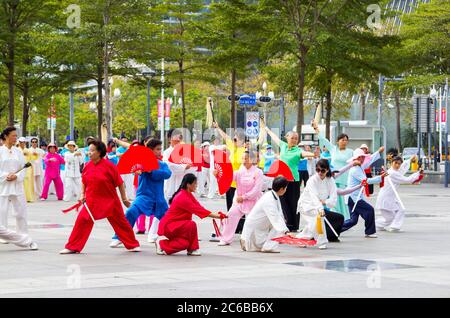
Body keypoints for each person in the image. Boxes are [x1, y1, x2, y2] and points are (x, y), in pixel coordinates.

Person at [60, 139, 140, 254]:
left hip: (110, 201)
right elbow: (84, 181)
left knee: (121, 223)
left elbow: (120, 183)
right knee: (82, 220)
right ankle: (73, 246)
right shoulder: (87, 165)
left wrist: (124, 199)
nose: (89, 153)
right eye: (89, 150)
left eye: (92, 151)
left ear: (99, 152)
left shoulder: (110, 166)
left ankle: (132, 244)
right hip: (92, 201)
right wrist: (82, 194)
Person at [109, 139, 172, 247]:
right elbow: (135, 168)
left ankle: (179, 237)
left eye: (160, 149)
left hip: (159, 199)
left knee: (170, 220)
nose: (159, 152)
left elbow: (167, 174)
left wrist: (151, 171)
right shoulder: (141, 162)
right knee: (130, 212)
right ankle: (119, 237)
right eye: (157, 149)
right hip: (143, 196)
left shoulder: (162, 164)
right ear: (150, 151)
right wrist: (137, 171)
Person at [262, 120, 316, 232]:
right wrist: (266, 129)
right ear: (287, 138)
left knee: (294, 203)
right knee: (283, 202)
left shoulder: (297, 151)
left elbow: (304, 154)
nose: (294, 140)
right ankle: (288, 224)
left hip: (293, 180)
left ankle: (295, 226)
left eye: (296, 138)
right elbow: (275, 138)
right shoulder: (284, 146)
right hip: (281, 179)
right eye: (292, 138)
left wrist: (312, 154)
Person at [155, 173, 224, 256]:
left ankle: (162, 244)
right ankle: (192, 249)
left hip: (176, 225)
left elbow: (199, 207)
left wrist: (217, 214)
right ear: (188, 185)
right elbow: (198, 210)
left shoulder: (187, 194)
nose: (196, 185)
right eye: (195, 183)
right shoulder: (182, 197)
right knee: (191, 224)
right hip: (170, 226)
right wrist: (218, 216)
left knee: (184, 243)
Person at [297, 159, 350, 249]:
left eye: (322, 170)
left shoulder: (331, 180)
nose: (320, 173)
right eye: (318, 170)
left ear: (327, 170)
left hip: (318, 205)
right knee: (318, 218)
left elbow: (333, 198)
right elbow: (314, 196)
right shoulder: (312, 180)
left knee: (314, 222)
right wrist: (320, 208)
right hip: (306, 204)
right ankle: (321, 241)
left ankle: (303, 237)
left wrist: (325, 202)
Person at [0, 127, 38, 250]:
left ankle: (23, 234)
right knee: (2, 212)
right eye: (13, 136)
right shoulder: (0, 151)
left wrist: (16, 176)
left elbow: (24, 167)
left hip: (17, 184)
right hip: (3, 185)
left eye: (16, 136)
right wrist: (6, 176)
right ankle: (3, 235)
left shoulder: (18, 151)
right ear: (5, 136)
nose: (15, 138)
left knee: (20, 211)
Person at [216, 151, 264, 246]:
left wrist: (244, 197)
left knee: (253, 222)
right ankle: (225, 239)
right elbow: (228, 178)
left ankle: (255, 241)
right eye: (242, 158)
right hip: (239, 202)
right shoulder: (239, 171)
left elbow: (257, 190)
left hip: (253, 202)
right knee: (230, 216)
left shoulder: (258, 172)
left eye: (246, 158)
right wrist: (217, 174)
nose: (244, 160)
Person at [341, 148, 387, 238]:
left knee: (353, 220)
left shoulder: (360, 167)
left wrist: (378, 152)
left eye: (363, 157)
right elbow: (365, 181)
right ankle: (370, 232)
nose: (362, 159)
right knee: (369, 210)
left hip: (352, 197)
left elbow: (370, 161)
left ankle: (334, 229)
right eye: (360, 157)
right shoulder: (355, 169)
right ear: (356, 159)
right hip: (354, 197)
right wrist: (380, 177)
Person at [313, 122, 354, 220]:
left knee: (341, 199)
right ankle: (333, 217)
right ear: (337, 141)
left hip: (344, 178)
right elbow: (323, 139)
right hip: (333, 177)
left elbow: (357, 162)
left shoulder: (351, 152)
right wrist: (316, 128)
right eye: (342, 140)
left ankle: (343, 218)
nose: (344, 142)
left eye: (346, 140)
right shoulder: (333, 149)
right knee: (332, 197)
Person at [240, 176, 290, 253]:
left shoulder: (272, 195)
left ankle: (266, 245)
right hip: (253, 231)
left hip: (258, 229)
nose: (286, 190)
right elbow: (276, 218)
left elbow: (279, 215)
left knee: (280, 224)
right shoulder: (269, 199)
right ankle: (268, 247)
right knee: (278, 226)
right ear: (281, 189)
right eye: (286, 188)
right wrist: (286, 232)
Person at [376, 155, 421, 232]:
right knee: (391, 217)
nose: (397, 165)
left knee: (398, 211)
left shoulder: (394, 171)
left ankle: (382, 225)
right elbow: (406, 180)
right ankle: (382, 225)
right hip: (385, 198)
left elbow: (402, 168)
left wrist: (410, 159)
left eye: (399, 163)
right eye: (395, 163)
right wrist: (418, 173)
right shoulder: (392, 173)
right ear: (391, 163)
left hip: (390, 197)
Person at [212, 122, 247, 211]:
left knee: (239, 208)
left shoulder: (245, 151)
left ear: (242, 140)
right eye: (234, 136)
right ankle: (231, 224)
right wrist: (217, 127)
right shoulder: (232, 147)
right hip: (230, 182)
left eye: (236, 137)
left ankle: (240, 225)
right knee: (230, 207)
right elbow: (226, 137)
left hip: (240, 184)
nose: (234, 139)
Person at [162, 129, 197, 201]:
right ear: (169, 138)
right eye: (175, 136)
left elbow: (192, 167)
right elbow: (168, 165)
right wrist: (184, 167)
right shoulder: (167, 152)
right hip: (171, 184)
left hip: (182, 184)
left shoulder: (185, 152)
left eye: (180, 137)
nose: (178, 139)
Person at [116, 135, 136, 201]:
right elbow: (118, 155)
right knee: (120, 183)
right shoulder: (118, 149)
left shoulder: (129, 148)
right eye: (123, 141)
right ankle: (119, 196)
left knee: (129, 182)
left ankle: (131, 196)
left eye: (125, 141)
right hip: (121, 168)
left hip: (128, 168)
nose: (124, 143)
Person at [18, 137, 35, 202]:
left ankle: (28, 198)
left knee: (27, 182)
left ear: (25, 143)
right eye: (20, 142)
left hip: (27, 168)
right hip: (19, 168)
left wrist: (29, 163)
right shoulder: (16, 150)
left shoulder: (28, 151)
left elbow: (32, 159)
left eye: (23, 142)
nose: (22, 143)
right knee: (18, 182)